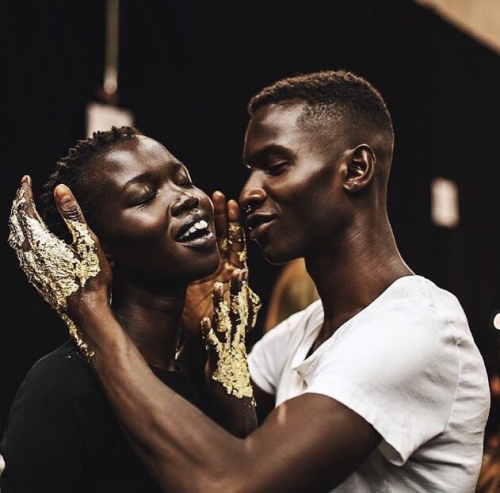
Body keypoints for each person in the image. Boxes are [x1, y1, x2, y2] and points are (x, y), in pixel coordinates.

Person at [10, 69, 491, 492]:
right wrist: (207, 340)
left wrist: (89, 312)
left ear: (357, 169)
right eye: (250, 169)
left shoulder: (412, 329)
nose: (247, 192)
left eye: (276, 166)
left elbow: (233, 478)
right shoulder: (302, 333)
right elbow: (233, 421)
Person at [1, 126, 260, 492]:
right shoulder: (64, 386)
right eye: (143, 196)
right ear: (98, 247)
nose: (186, 198)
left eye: (183, 179)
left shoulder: (204, 378)